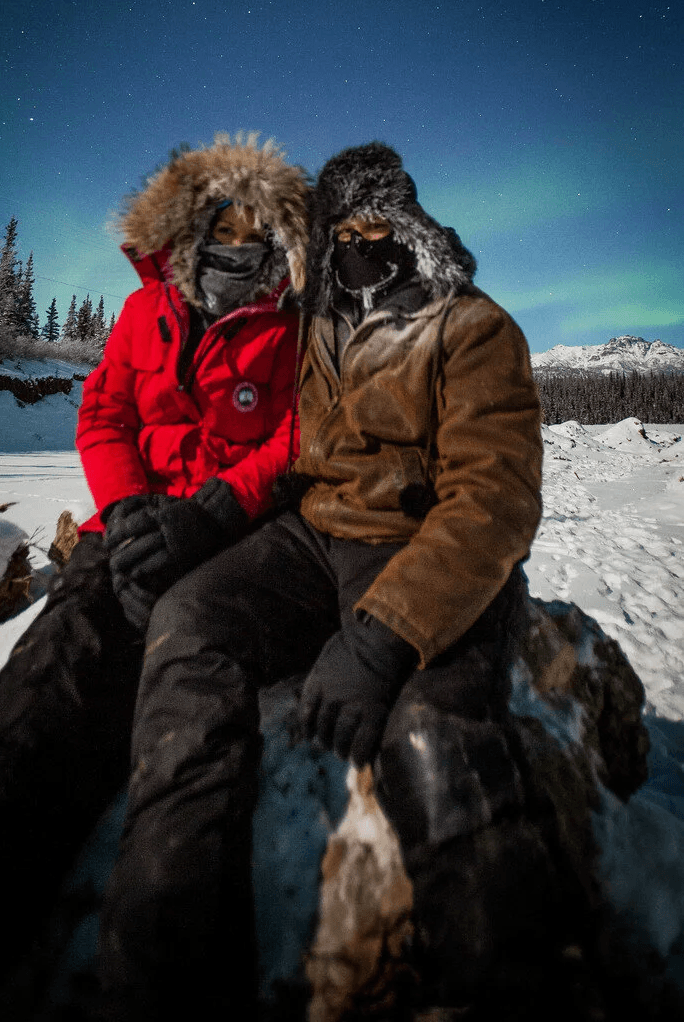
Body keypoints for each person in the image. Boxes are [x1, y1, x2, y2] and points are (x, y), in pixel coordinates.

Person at [94, 142, 561, 1019]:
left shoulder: (472, 326)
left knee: (429, 737)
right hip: (314, 535)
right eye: (342, 227)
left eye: (379, 223)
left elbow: (495, 497)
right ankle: (163, 965)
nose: (361, 242)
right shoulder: (315, 322)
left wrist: (384, 634)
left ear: (412, 226)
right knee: (189, 622)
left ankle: (516, 979)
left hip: (424, 549)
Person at [0, 134, 310, 1019]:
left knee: (185, 679)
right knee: (57, 659)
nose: (237, 241)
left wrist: (211, 514)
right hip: (128, 532)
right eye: (220, 222)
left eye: (255, 226)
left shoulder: (300, 322)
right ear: (189, 226)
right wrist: (124, 511)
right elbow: (103, 412)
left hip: (229, 539)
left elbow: (302, 437)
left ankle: (167, 965)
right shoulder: (146, 313)